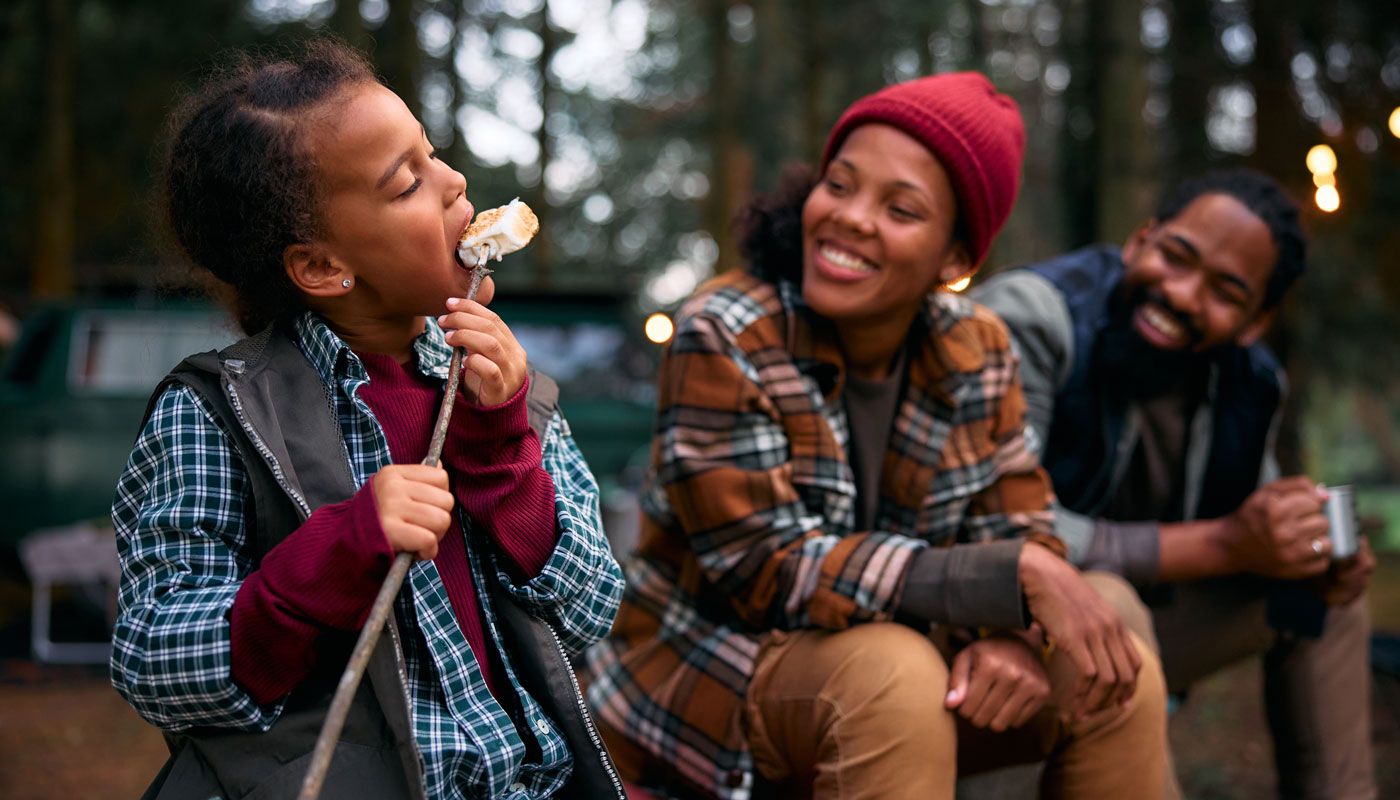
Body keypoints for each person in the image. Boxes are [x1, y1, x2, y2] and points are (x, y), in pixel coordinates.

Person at [584, 72, 1168, 800]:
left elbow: (1018, 520)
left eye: (900, 208)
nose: (851, 218)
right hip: (711, 670)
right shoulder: (729, 330)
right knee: (895, 673)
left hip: (891, 669)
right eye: (840, 184)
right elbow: (769, 568)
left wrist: (1015, 637)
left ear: (956, 260)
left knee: (1113, 677)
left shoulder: (978, 347)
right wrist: (1005, 580)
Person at [108, 40, 625, 800]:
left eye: (434, 153)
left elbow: (590, 613)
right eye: (407, 182)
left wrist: (505, 458)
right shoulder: (216, 414)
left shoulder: (512, 399)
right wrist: (330, 558)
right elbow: (154, 663)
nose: (454, 183)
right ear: (322, 267)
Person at [973, 168, 1376, 799]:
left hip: (1147, 629)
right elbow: (991, 526)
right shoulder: (1030, 318)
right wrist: (1223, 545)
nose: (1183, 295)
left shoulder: (1252, 383)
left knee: (1323, 602)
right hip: (1001, 621)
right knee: (1108, 600)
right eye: (1175, 256)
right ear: (1140, 240)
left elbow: (1254, 523)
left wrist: (1306, 551)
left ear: (1254, 321)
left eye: (1225, 291)